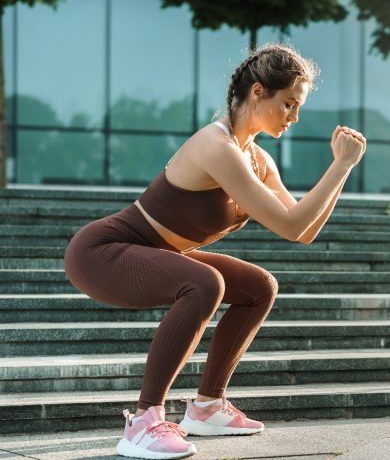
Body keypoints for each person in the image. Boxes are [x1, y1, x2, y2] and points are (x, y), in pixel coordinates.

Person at [63, 42, 366, 459]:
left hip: (155, 252)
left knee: (259, 286)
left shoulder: (258, 159)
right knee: (204, 282)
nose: (295, 117)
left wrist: (342, 169)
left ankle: (206, 408)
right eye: (289, 104)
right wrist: (341, 166)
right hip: (103, 253)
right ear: (258, 92)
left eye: (299, 107)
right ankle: (143, 421)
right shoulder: (215, 146)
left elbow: (303, 230)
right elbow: (293, 224)